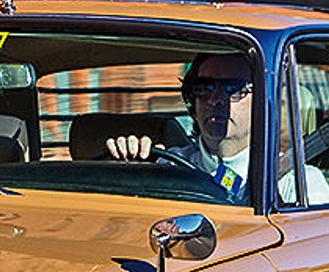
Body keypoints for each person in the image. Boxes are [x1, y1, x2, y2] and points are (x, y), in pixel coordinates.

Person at [106, 52, 255, 201]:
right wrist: (131, 172)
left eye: (232, 89)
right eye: (204, 88)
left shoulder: (276, 176)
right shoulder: (169, 166)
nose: (214, 100)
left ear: (261, 101)